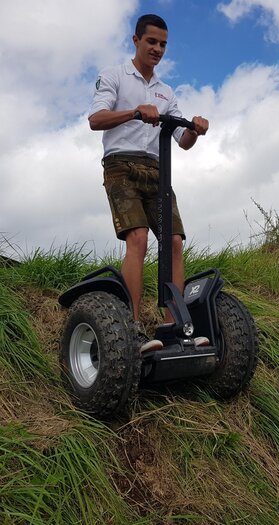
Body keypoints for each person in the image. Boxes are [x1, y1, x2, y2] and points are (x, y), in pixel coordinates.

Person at [88, 14, 209, 351]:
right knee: (138, 239)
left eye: (163, 45)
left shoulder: (165, 92)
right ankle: (131, 326)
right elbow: (95, 120)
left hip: (158, 170)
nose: (157, 49)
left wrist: (195, 128)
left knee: (173, 242)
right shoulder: (113, 76)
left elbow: (183, 141)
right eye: (152, 42)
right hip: (120, 166)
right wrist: (134, 112)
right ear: (136, 41)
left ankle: (175, 327)